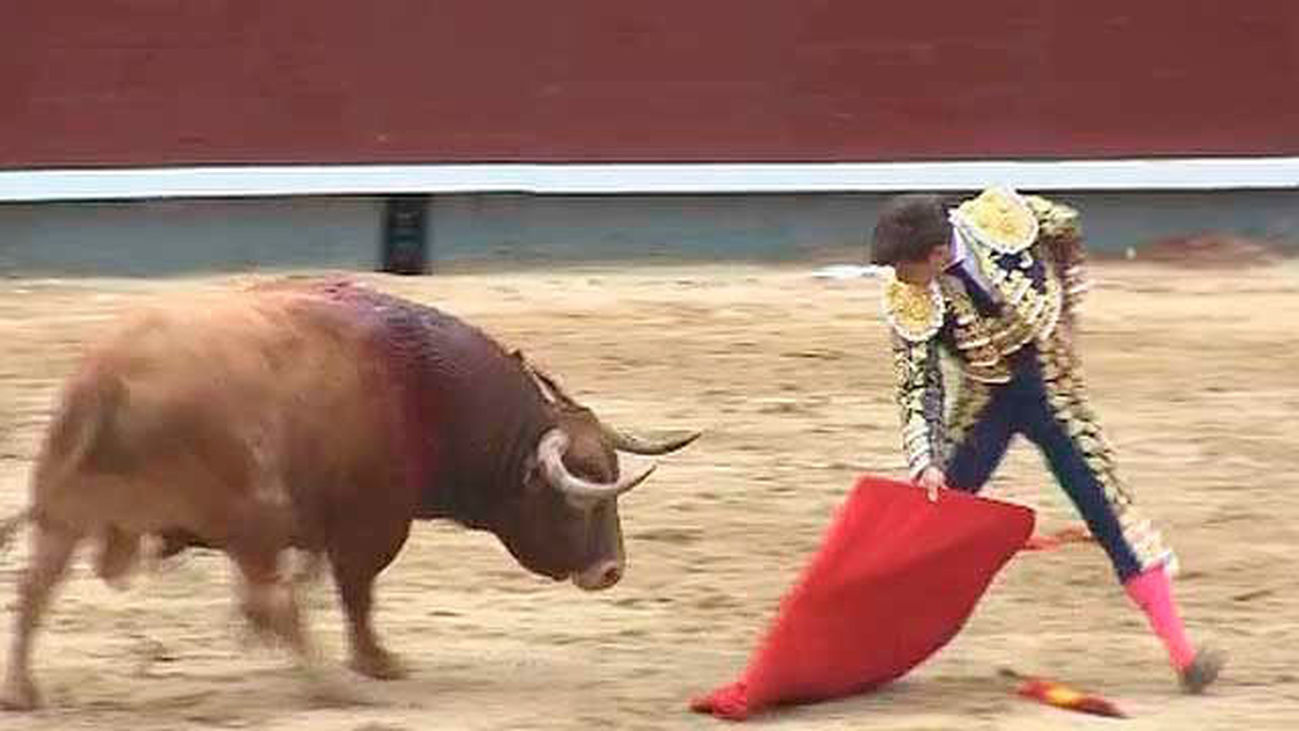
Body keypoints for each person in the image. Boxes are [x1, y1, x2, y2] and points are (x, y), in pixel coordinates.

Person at [870, 186, 1223, 693]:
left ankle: (1185, 656)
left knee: (1109, 515)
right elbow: (917, 381)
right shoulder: (908, 293)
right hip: (986, 398)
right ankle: (872, 649)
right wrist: (926, 459)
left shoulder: (1002, 218)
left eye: (903, 267)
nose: (896, 279)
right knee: (933, 517)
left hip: (1050, 386)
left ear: (939, 254)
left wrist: (1068, 308)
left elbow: (1064, 227)